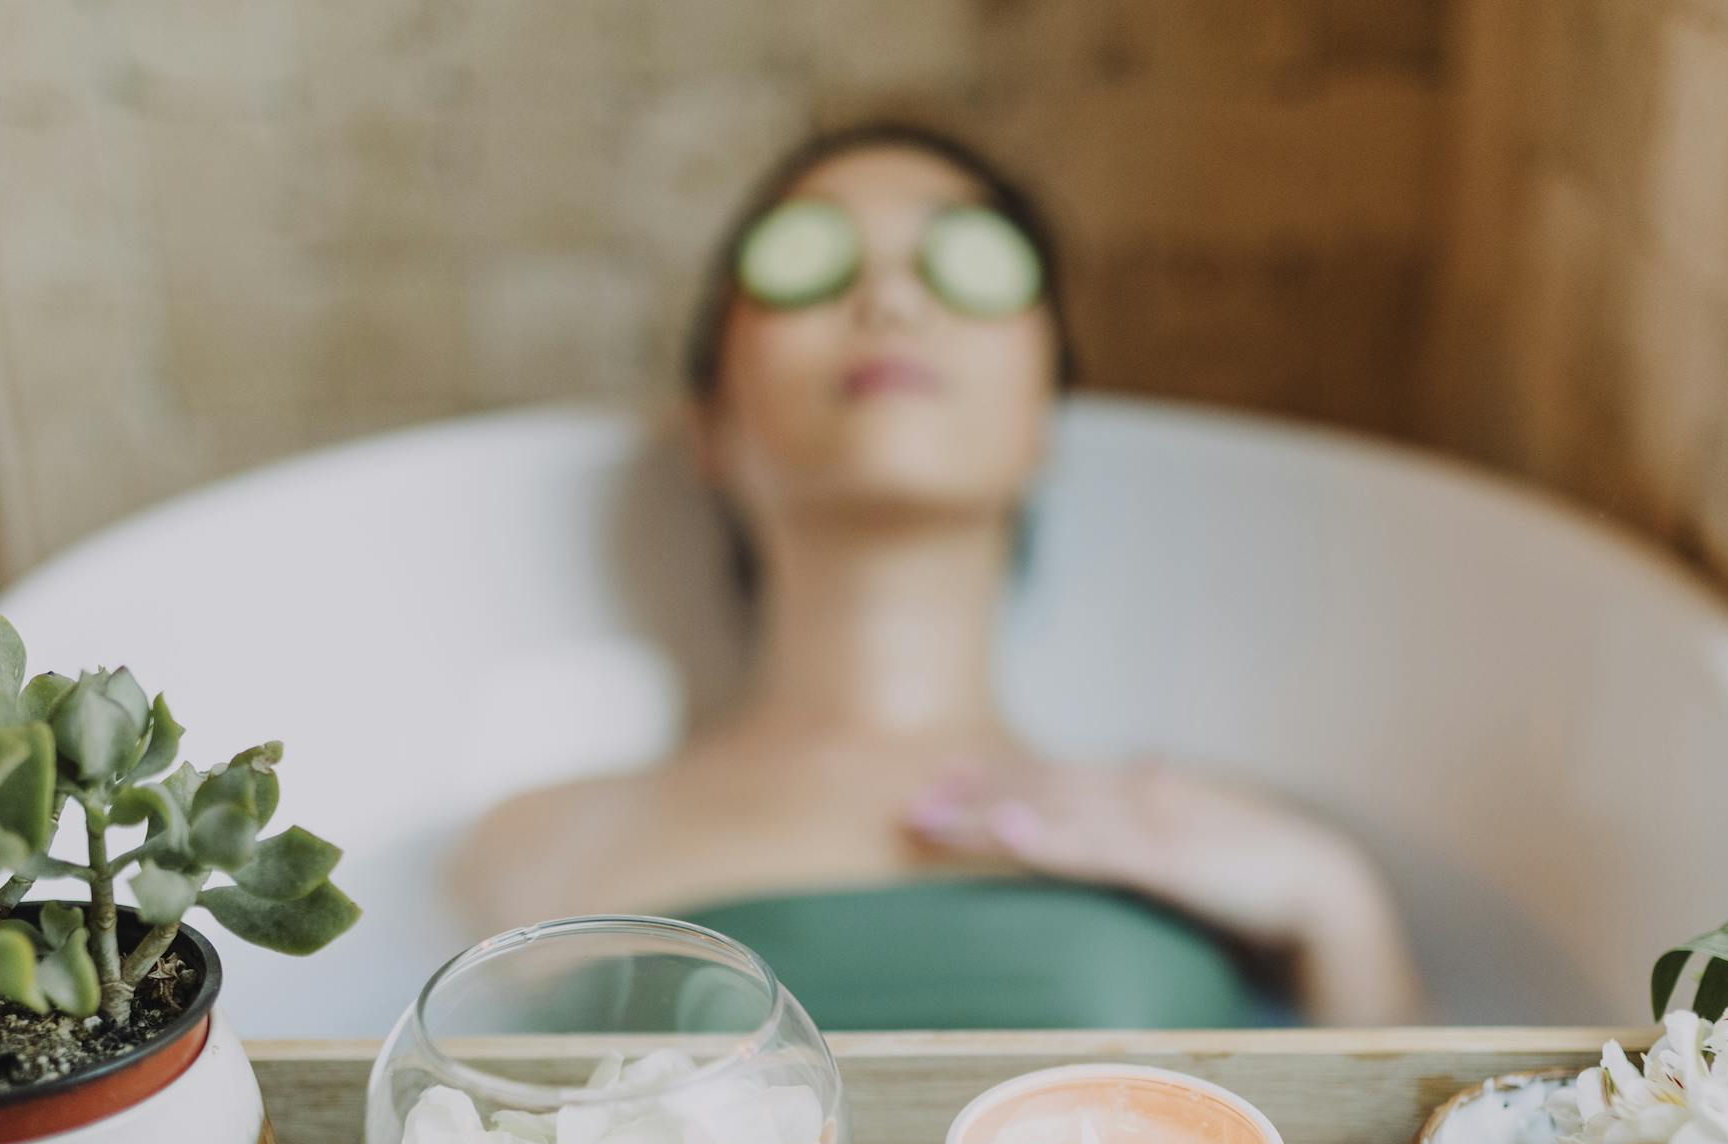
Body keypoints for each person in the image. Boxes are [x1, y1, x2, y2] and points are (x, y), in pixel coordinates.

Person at [455, 122, 1421, 1029]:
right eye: (814, 262)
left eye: (963, 264)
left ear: (1046, 415)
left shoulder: (1222, 841)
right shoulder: (534, 845)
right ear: (709, 423)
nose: (891, 302)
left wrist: (1340, 909)